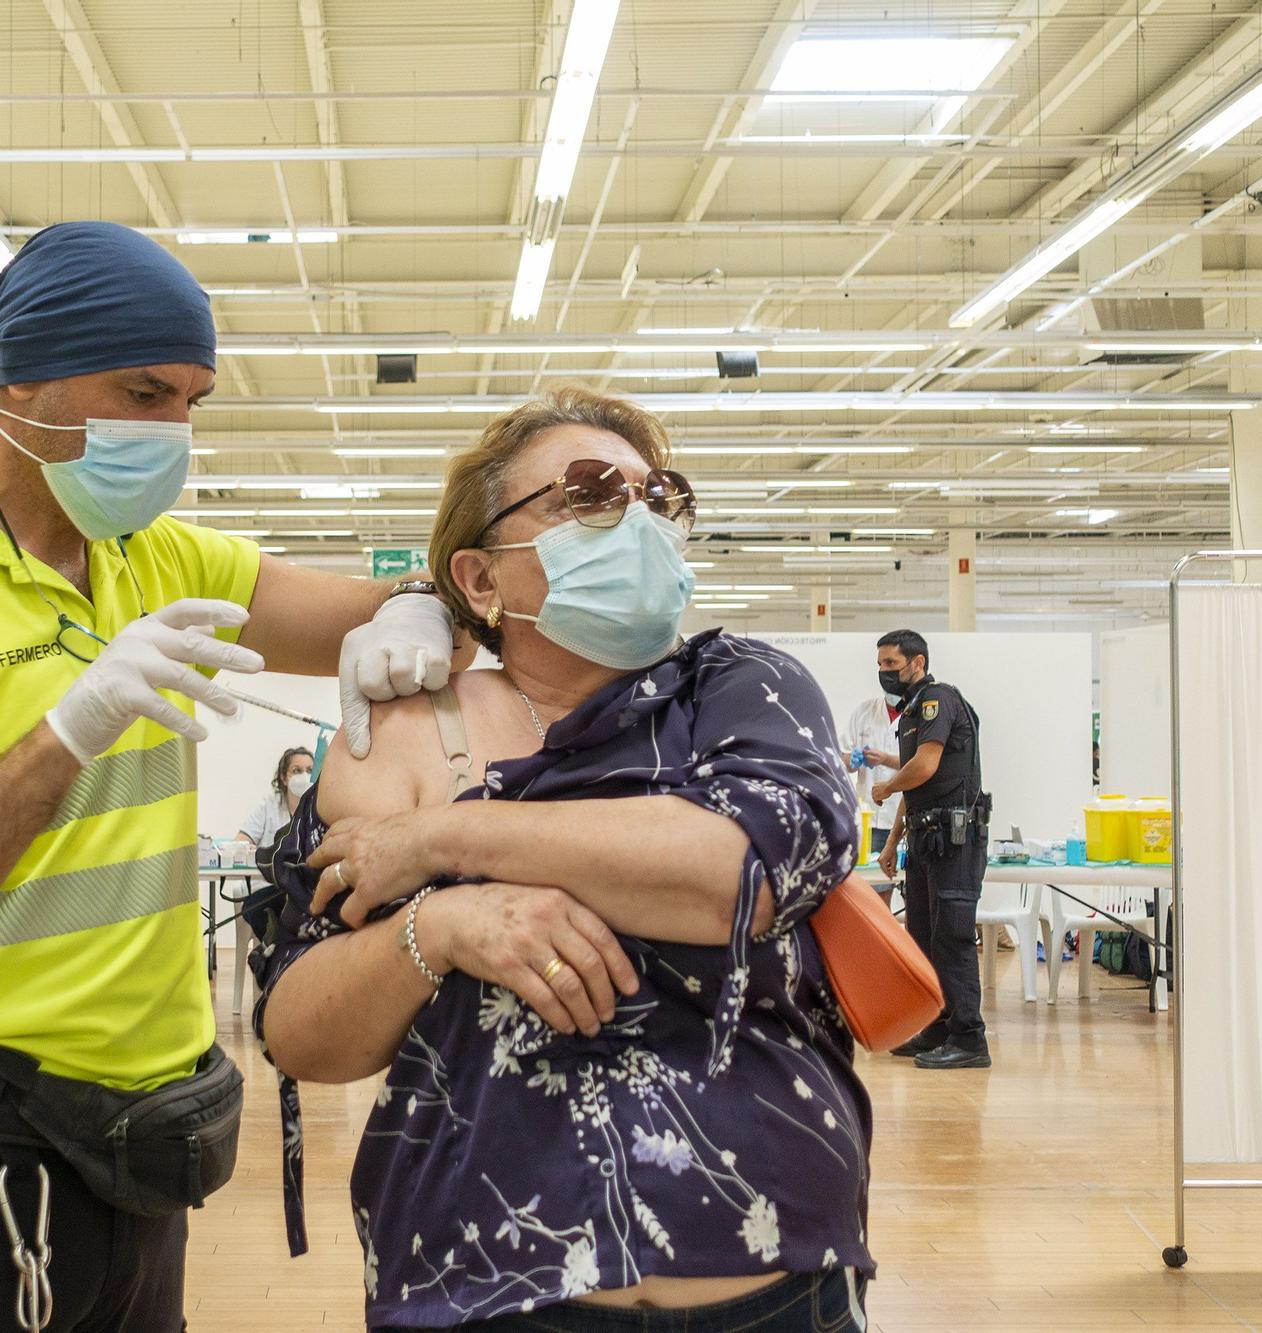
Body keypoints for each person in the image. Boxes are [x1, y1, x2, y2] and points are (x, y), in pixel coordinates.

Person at [0, 221, 470, 1333]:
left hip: (138, 1151)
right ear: (13, 384)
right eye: (140, 392)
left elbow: (372, 615)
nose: (171, 431)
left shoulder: (155, 557)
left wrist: (416, 606)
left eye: (190, 401)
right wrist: (64, 734)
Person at [252, 388, 872, 1332]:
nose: (637, 520)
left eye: (658, 496)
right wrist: (442, 924)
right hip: (484, 1284)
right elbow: (298, 1027)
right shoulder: (409, 729)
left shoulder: (742, 688)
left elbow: (739, 870)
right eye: (588, 494)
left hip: (776, 1280)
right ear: (484, 577)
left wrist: (439, 838)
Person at [871, 629, 991, 1071]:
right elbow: (916, 784)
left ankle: (970, 1038)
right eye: (880, 665)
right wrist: (891, 842)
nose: (884, 672)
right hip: (926, 838)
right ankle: (938, 1028)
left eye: (891, 664)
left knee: (952, 936)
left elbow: (923, 767)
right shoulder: (911, 711)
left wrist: (885, 785)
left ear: (916, 662)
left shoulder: (938, 699)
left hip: (955, 840)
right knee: (923, 937)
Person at [841, 694, 902, 859]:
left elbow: (920, 763)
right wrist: (851, 760)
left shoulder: (918, 715)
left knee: (897, 879)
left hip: (900, 820)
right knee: (868, 880)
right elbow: (842, 754)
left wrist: (885, 759)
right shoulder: (864, 711)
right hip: (867, 818)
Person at [238, 747, 314, 851]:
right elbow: (241, 841)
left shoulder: (321, 809)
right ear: (283, 778)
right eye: (297, 771)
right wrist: (248, 849)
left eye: (310, 771)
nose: (305, 776)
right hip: (269, 866)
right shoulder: (268, 806)